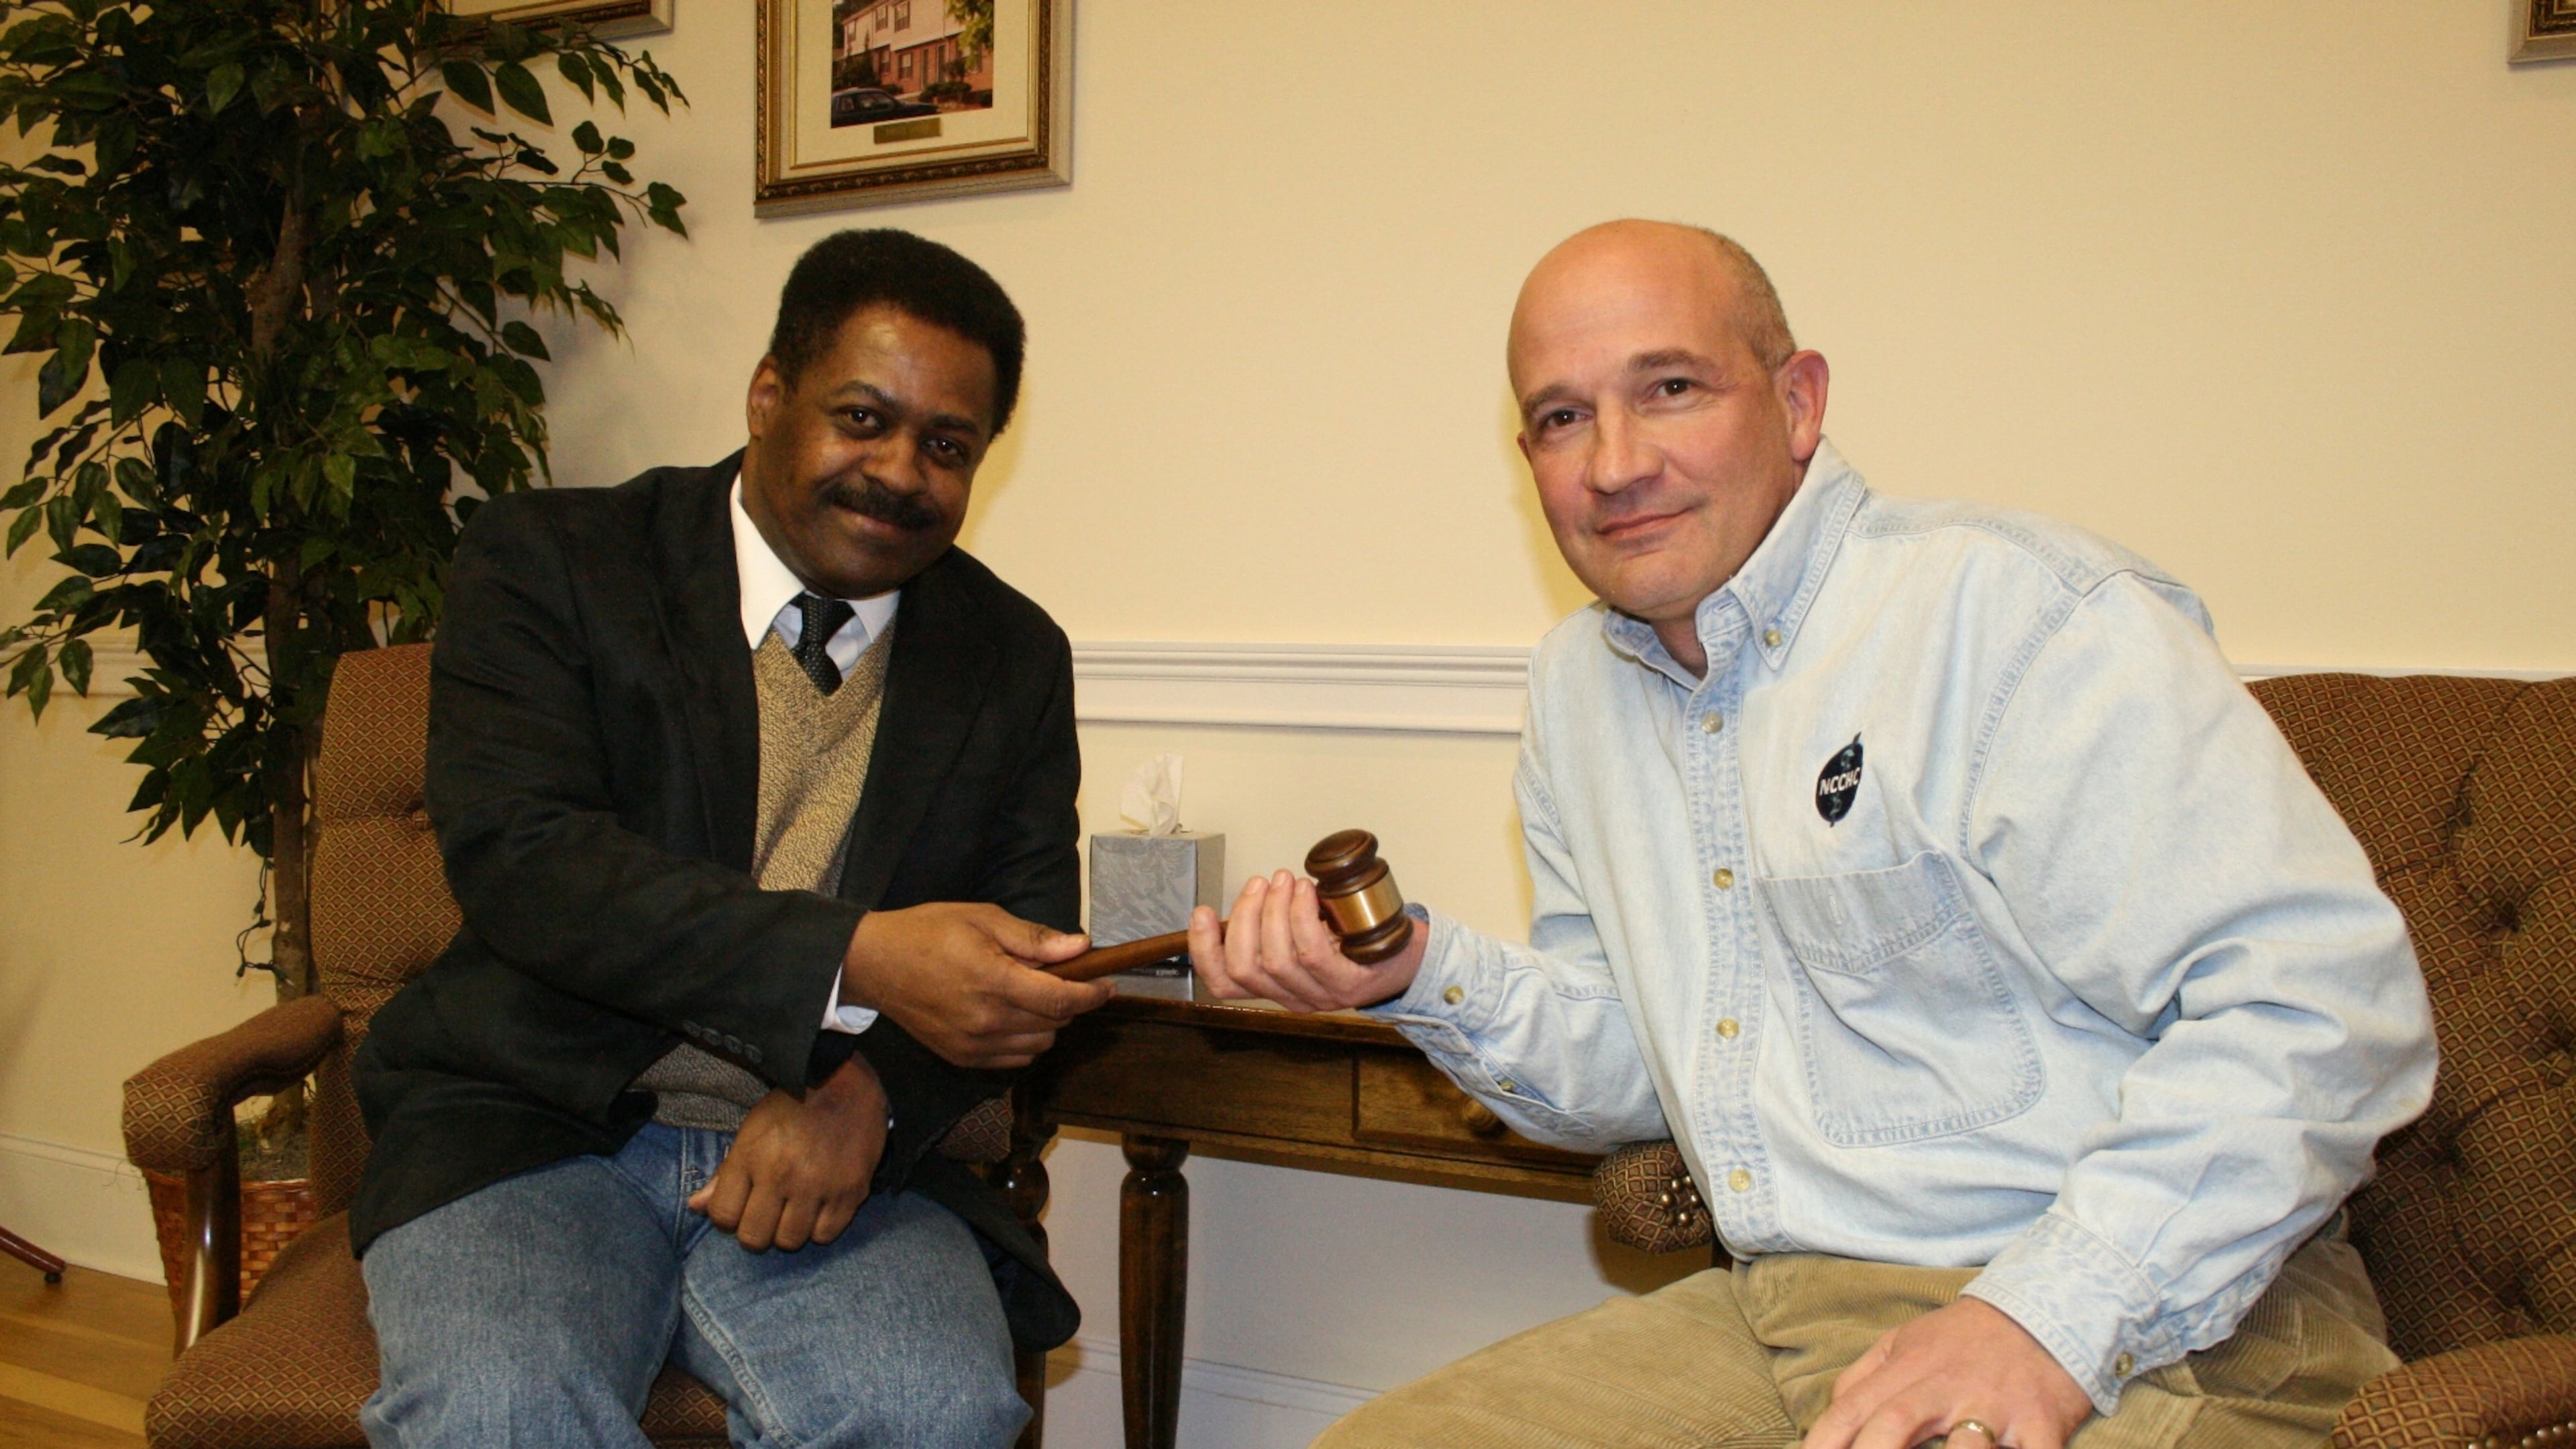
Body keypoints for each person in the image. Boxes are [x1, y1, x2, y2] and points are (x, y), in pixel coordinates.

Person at [1190, 220, 2437, 1449]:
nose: (1614, 463)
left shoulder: (2020, 620)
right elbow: (1647, 1062)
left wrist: (2042, 1318)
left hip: (2159, 1316)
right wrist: (1413, 974)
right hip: (1785, 1308)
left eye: (1669, 388)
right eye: (1564, 418)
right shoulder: (1577, 691)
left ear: (1797, 403)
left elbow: (2323, 1009)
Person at [352, 228, 1114, 1449]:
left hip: (833, 1164)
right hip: (529, 1121)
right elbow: (527, 861)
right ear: (769, 395)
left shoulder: (1013, 656)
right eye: (863, 417)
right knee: (500, 1417)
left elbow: (1019, 967)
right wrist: (856, 956)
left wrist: (866, 1099)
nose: (900, 472)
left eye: (948, 447)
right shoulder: (553, 560)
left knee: (935, 1416)